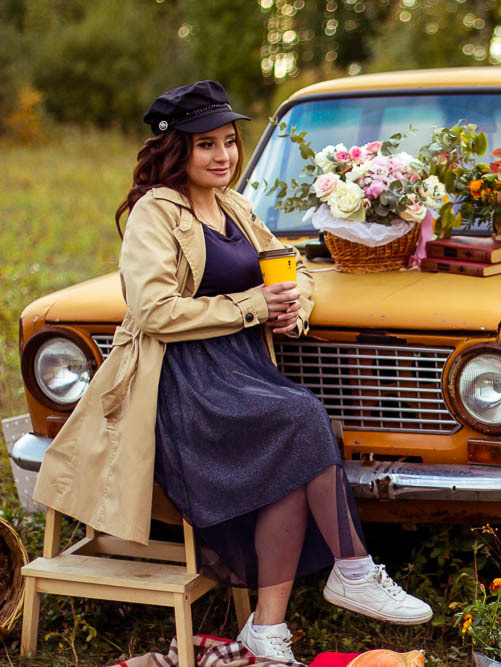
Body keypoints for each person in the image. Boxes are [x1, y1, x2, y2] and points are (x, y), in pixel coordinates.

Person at [33, 81, 431, 663]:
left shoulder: (236, 207)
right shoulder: (155, 213)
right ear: (177, 152)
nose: (224, 156)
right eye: (206, 146)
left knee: (293, 449)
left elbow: (290, 269)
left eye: (229, 141)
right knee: (301, 416)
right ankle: (352, 567)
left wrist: (296, 307)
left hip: (241, 372)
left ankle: (268, 631)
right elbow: (152, 311)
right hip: (182, 383)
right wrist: (252, 307)